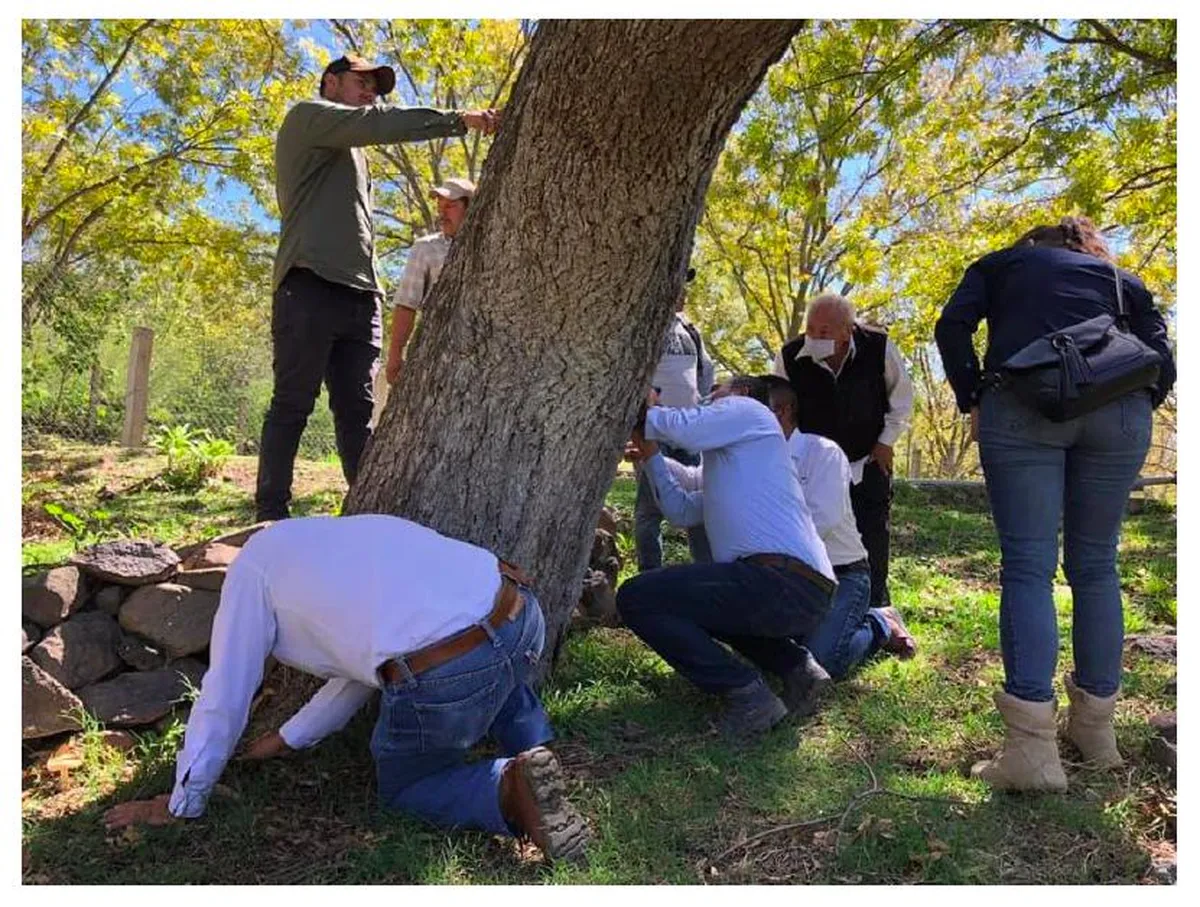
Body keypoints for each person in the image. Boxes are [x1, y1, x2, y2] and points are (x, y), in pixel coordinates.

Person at [101, 515, 590, 864]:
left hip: (450, 668)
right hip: (523, 614)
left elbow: (225, 693)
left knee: (409, 788)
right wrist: (288, 737)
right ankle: (536, 744)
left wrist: (183, 801)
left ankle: (508, 786)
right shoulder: (330, 540)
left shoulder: (250, 576)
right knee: (495, 668)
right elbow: (360, 663)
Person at [934, 215, 1175, 792]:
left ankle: (1033, 752)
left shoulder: (1001, 264)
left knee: (1028, 565)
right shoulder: (1120, 279)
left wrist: (974, 395)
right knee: (1096, 565)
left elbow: (953, 327)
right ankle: (1095, 732)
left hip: (1022, 405)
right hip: (1121, 410)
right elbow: (1162, 351)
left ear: (1032, 245)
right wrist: (1134, 403)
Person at [255, 53, 499, 521]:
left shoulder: (356, 155)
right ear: (330, 82)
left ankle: (369, 517)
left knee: (357, 412)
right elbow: (381, 124)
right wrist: (459, 119)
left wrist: (374, 293)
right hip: (308, 284)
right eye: (360, 83)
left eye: (375, 87)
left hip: (361, 295)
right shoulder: (307, 118)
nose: (370, 93)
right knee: (293, 402)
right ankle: (271, 517)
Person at [618, 377, 835, 740]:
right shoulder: (736, 468)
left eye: (716, 394)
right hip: (798, 588)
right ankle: (799, 670)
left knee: (636, 597)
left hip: (781, 581)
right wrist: (651, 453)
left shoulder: (751, 411)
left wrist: (644, 404)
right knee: (700, 602)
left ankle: (747, 693)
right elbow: (681, 511)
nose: (708, 400)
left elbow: (687, 430)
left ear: (744, 394)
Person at [762, 376, 916, 679]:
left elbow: (824, 519)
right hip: (782, 576)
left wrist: (769, 552)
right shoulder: (753, 460)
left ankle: (880, 623)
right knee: (772, 657)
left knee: (821, 661)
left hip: (841, 575)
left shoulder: (822, 452)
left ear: (781, 411)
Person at [773, 294, 913, 614]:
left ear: (847, 331)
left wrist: (886, 442)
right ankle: (822, 603)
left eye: (825, 331)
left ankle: (877, 608)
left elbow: (902, 397)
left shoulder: (878, 347)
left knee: (873, 530)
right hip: (815, 465)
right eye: (811, 329)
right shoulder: (790, 355)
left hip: (868, 457)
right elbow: (780, 406)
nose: (815, 336)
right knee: (817, 529)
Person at [372, 177, 476, 426]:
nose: (442, 213)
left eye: (450, 206)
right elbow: (406, 303)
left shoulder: (498, 244)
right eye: (440, 206)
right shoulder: (426, 249)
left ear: (470, 206)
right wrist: (396, 354)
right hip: (438, 349)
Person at [635, 267, 715, 570]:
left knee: (699, 511)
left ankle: (706, 576)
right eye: (678, 283)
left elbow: (704, 377)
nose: (684, 290)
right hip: (656, 435)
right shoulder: (645, 326)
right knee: (649, 511)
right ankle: (649, 577)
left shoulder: (690, 330)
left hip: (691, 436)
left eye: (685, 285)